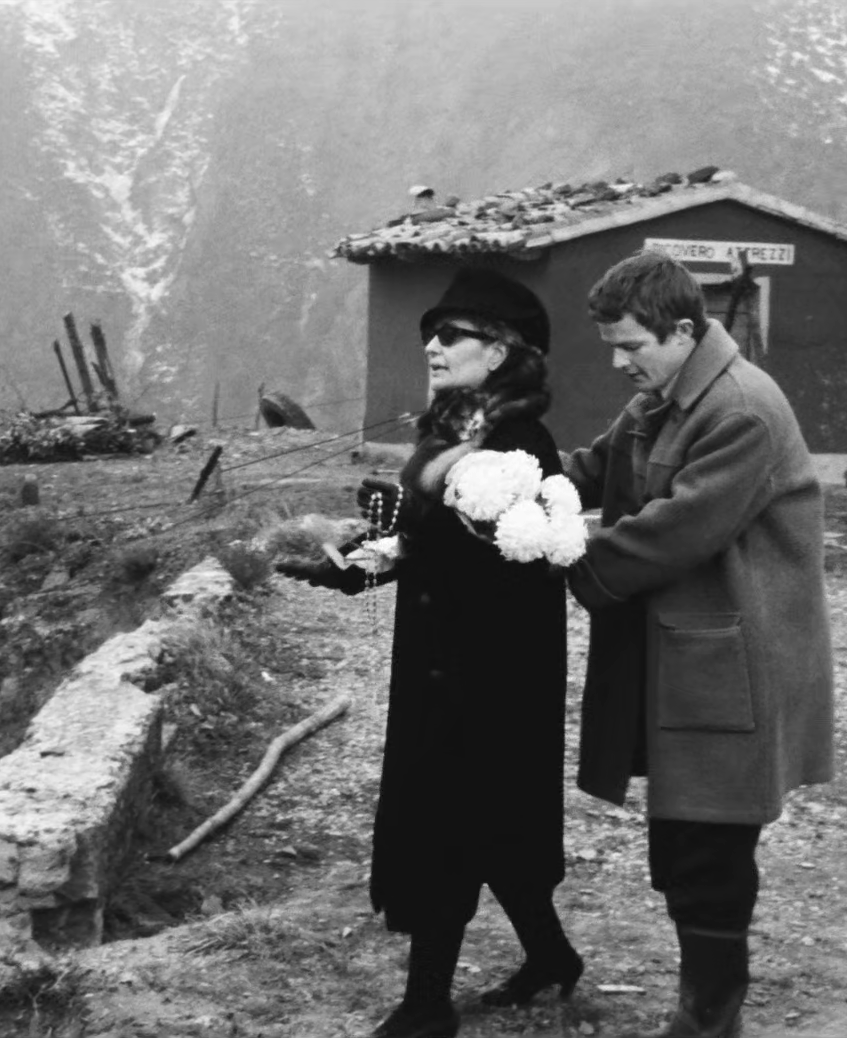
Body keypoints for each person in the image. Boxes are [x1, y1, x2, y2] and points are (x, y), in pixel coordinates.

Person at [279, 269, 581, 1038]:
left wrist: (414, 539)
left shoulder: (521, 446)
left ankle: (426, 1007)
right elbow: (426, 541)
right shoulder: (452, 434)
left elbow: (512, 565)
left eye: (451, 334)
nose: (432, 346)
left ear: (500, 351)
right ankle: (551, 957)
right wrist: (354, 565)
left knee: (450, 819)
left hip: (494, 670)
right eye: (429, 334)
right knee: (495, 819)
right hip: (444, 655)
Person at [561, 250, 835, 1038]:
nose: (619, 362)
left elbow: (673, 533)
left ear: (681, 331)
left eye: (631, 346)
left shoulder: (740, 410)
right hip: (694, 651)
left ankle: (710, 1014)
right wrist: (504, 480)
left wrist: (556, 554)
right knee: (685, 837)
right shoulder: (666, 396)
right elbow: (594, 468)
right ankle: (708, 1006)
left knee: (711, 844)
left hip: (737, 662)